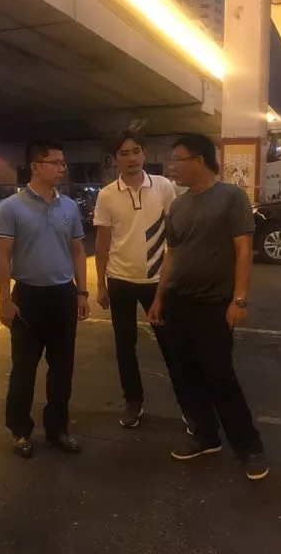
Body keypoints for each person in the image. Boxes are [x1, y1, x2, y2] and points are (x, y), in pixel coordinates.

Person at [147, 133, 268, 482]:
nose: (172, 167)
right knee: (184, 376)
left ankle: (249, 448)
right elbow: (172, 254)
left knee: (219, 375)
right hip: (178, 303)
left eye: (177, 160)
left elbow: (243, 251)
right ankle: (205, 436)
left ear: (199, 160)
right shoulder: (179, 205)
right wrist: (159, 298)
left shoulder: (231, 197)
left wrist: (239, 299)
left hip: (214, 304)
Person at [0, 140, 90, 458]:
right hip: (27, 298)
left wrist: (81, 292)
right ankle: (20, 430)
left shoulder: (69, 207)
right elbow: (3, 256)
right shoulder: (11, 207)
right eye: (55, 162)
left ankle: (57, 429)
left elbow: (78, 250)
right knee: (23, 369)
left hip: (62, 296)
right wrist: (4, 300)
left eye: (63, 163)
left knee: (62, 369)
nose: (62, 168)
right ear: (36, 166)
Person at [93, 131, 192, 429]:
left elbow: (175, 235)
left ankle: (190, 406)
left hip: (157, 281)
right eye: (124, 153)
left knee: (172, 346)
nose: (131, 158)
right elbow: (102, 243)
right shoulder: (107, 195)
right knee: (125, 347)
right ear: (115, 160)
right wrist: (100, 284)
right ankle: (133, 401)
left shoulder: (163, 186)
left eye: (136, 151)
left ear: (144, 154)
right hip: (119, 280)